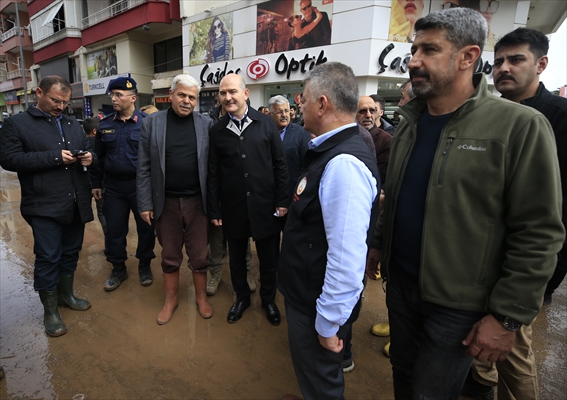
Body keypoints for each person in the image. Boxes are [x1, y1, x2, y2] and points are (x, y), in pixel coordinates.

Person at [365, 8, 564, 399]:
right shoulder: (410, 123)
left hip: (458, 306)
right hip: (401, 289)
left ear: (468, 57)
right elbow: (398, 195)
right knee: (403, 377)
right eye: (415, 49)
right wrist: (377, 245)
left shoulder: (519, 126)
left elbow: (539, 231)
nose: (414, 61)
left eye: (429, 50)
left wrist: (507, 318)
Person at [462, 27, 567, 400]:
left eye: (516, 59)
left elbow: (550, 217)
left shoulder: (558, 118)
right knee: (480, 349)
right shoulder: (484, 116)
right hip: (476, 264)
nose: (504, 68)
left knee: (513, 353)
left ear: (541, 64)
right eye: (499, 61)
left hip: (522, 267)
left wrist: (537, 282)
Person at [279, 62, 380, 399]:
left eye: (303, 99)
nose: (299, 106)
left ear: (322, 104)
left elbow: (347, 258)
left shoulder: (343, 164)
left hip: (315, 309)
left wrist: (328, 323)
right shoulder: (328, 152)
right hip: (306, 296)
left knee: (322, 386)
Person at [0, 76, 96, 337]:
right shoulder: (16, 124)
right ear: (39, 93)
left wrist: (89, 157)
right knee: (48, 257)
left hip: (75, 202)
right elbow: (8, 159)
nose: (61, 107)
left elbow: (87, 148)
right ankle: (50, 311)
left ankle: (67, 296)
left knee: (70, 253)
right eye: (56, 100)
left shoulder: (71, 124)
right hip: (43, 205)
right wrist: (54, 158)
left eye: (65, 102)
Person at [207, 74, 289, 325]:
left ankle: (268, 300)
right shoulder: (217, 130)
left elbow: (280, 166)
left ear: (246, 93)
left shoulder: (266, 123)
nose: (227, 97)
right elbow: (213, 173)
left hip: (266, 207)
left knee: (269, 260)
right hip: (233, 209)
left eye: (232, 91)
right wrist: (214, 209)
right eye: (223, 93)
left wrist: (282, 200)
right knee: (236, 260)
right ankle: (241, 298)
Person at [137, 74, 214, 324]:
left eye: (192, 97)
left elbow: (214, 168)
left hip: (197, 203)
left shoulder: (206, 124)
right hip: (165, 202)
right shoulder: (152, 123)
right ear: (170, 95)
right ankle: (171, 300)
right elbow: (144, 166)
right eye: (182, 95)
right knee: (169, 254)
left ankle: (201, 298)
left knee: (200, 255)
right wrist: (145, 203)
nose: (186, 101)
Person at [90, 77, 156, 292]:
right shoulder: (106, 124)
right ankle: (118, 268)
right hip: (114, 187)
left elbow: (156, 159)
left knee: (146, 229)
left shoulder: (148, 123)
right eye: (113, 94)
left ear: (133, 98)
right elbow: (97, 157)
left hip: (141, 187)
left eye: (119, 95)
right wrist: (96, 183)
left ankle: (144, 265)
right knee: (114, 230)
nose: (114, 98)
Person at [268, 95, 311, 207]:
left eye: (286, 111)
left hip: (294, 196)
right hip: (269, 195)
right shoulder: (264, 133)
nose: (284, 115)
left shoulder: (301, 133)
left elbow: (307, 167)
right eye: (279, 112)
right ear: (270, 114)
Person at [356, 96, 392, 185]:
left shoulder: (386, 140)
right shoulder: (345, 135)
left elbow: (381, 176)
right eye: (362, 111)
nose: (368, 115)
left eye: (372, 111)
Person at [84, 117, 107, 237]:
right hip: (101, 183)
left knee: (80, 214)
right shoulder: (102, 142)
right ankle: (109, 246)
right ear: (94, 131)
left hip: (84, 184)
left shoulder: (81, 143)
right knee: (103, 214)